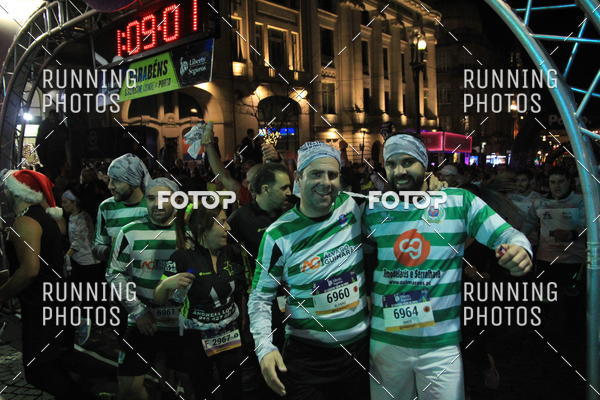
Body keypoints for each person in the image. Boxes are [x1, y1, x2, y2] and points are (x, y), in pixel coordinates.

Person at [364, 134, 533, 400]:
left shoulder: (458, 202)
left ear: (424, 163)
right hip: (387, 343)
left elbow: (507, 234)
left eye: (407, 162)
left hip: (440, 346)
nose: (399, 171)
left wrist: (520, 249)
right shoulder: (374, 209)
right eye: (391, 164)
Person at [248, 141, 371, 400]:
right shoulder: (278, 235)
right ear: (298, 178)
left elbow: (403, 204)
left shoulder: (353, 207)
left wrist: (435, 191)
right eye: (316, 174)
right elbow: (260, 297)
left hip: (358, 355)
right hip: (307, 360)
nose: (326, 182)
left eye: (332, 175)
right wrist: (264, 347)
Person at [0, 169, 94, 399]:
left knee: (39, 371)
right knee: (58, 363)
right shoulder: (45, 217)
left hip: (43, 307)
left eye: (6, 188)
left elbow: (29, 270)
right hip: (56, 301)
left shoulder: (25, 221)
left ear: (16, 191)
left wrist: (2, 295)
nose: (3, 193)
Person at [155, 203, 246, 400]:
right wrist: (166, 285)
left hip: (230, 334)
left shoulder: (232, 253)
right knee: (202, 389)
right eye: (222, 222)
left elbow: (243, 291)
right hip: (196, 339)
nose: (228, 227)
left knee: (234, 390)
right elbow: (159, 298)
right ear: (203, 227)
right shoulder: (182, 258)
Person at [106, 178, 184, 400]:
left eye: (164, 198)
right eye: (151, 198)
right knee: (128, 390)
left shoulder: (188, 232)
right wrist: (138, 311)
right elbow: (114, 273)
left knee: (179, 389)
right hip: (142, 322)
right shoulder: (130, 231)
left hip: (180, 325)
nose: (157, 204)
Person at [227, 162, 293, 399]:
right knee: (257, 365)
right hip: (259, 304)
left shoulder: (292, 214)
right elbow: (224, 256)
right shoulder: (240, 219)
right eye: (284, 188)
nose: (289, 193)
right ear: (265, 189)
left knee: (289, 362)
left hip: (293, 302)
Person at [61, 187, 102, 345]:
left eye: (65, 202)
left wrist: (67, 255)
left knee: (88, 295)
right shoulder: (71, 216)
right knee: (79, 294)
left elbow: (78, 240)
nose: (63, 205)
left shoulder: (83, 217)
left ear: (74, 203)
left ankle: (89, 324)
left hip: (88, 261)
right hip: (78, 261)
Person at [93, 153, 150, 262]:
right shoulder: (106, 207)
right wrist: (111, 251)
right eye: (110, 180)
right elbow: (97, 246)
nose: (110, 186)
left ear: (134, 181)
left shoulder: (155, 206)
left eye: (117, 180)